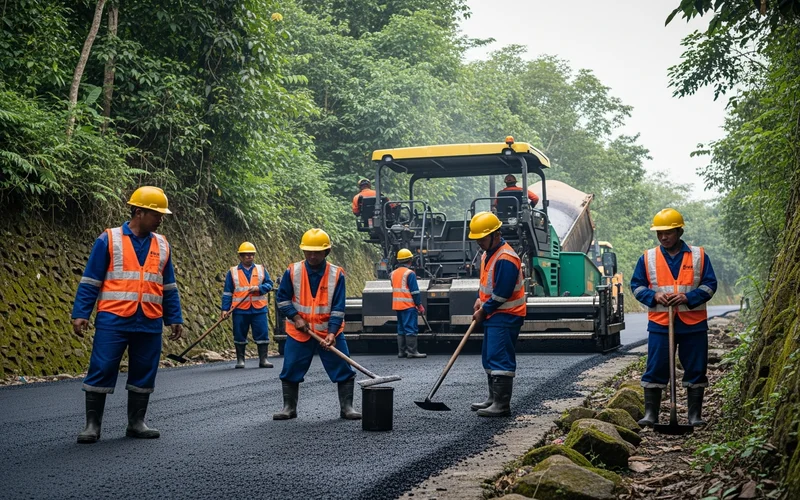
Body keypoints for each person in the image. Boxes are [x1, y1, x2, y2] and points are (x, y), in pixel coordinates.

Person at [71, 186, 184, 444]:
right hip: (114, 318)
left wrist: (174, 317)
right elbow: (91, 280)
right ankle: (92, 426)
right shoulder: (109, 239)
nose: (161, 219)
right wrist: (81, 313)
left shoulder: (162, 244)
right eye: (156, 214)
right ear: (138, 212)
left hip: (149, 320)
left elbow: (168, 285)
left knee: (145, 370)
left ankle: (136, 423)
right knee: (101, 367)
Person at [630, 208, 717, 428]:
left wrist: (688, 297)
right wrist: (654, 296)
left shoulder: (699, 256)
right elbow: (637, 286)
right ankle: (651, 414)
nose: (663, 237)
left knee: (696, 368)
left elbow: (709, 285)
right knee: (656, 367)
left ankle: (694, 415)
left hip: (693, 324)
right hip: (661, 323)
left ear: (679, 231)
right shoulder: (648, 257)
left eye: (667, 233)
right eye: (659, 233)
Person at [273, 228, 361, 421]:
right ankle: (289, 407)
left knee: (343, 367)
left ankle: (347, 407)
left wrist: (332, 333)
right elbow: (282, 299)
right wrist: (296, 317)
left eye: (317, 252)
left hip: (328, 332)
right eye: (308, 252)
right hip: (299, 332)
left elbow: (338, 307)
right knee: (291, 367)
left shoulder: (336, 274)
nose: (312, 256)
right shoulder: (293, 271)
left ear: (326, 251)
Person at [468, 211, 526, 417]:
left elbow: (502, 292)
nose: (479, 243)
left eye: (482, 238)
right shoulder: (487, 254)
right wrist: (480, 300)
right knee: (490, 355)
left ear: (496, 235)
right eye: (477, 239)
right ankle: (493, 398)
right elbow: (487, 283)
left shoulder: (506, 258)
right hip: (494, 314)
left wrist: (485, 310)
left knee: (500, 356)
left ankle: (502, 404)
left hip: (506, 314)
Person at [221, 242, 275, 369]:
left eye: (251, 254)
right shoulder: (233, 272)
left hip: (259, 308)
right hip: (240, 309)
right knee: (239, 334)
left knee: (262, 333)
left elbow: (269, 284)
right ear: (240, 256)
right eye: (246, 255)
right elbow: (228, 292)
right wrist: (224, 309)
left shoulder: (261, 270)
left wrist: (259, 288)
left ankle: (263, 359)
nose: (249, 257)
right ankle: (240, 360)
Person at [391, 248, 426, 358]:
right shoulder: (410, 273)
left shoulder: (393, 273)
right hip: (408, 305)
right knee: (410, 328)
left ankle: (401, 352)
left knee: (401, 329)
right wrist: (419, 305)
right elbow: (414, 291)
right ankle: (412, 351)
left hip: (397, 305)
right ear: (410, 260)